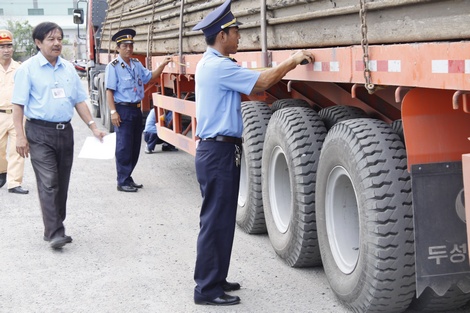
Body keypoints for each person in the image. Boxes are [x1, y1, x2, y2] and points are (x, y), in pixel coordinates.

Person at [191, 0, 314, 306]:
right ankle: (206, 289)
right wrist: (293, 60)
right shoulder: (219, 67)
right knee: (215, 221)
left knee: (219, 220)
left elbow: (253, 75)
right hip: (217, 152)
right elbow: (263, 82)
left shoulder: (212, 63)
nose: (239, 37)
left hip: (216, 150)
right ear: (222, 36)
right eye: (235, 32)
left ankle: (216, 278)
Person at [11, 22, 106, 250]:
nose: (57, 44)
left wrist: (93, 126)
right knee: (49, 182)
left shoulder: (68, 68)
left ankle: (53, 227)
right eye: (51, 39)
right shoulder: (27, 69)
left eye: (59, 39)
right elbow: (18, 105)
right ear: (38, 42)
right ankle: (56, 233)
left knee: (61, 183)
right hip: (39, 133)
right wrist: (20, 137)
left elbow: (78, 101)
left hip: (65, 133)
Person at [105, 29, 172, 192]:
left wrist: (163, 64)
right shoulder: (113, 67)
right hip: (123, 110)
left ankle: (128, 177)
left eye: (131, 45)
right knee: (123, 146)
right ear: (118, 48)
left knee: (135, 145)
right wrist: (113, 112)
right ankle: (122, 181)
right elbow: (109, 91)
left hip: (136, 110)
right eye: (125, 46)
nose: (129, 48)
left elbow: (150, 77)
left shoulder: (136, 64)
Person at [0, 29, 28, 194]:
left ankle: (14, 182)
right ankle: (2, 171)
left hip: (17, 115)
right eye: (2, 46)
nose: (6, 50)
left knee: (18, 148)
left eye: (9, 46)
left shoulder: (20, 69)